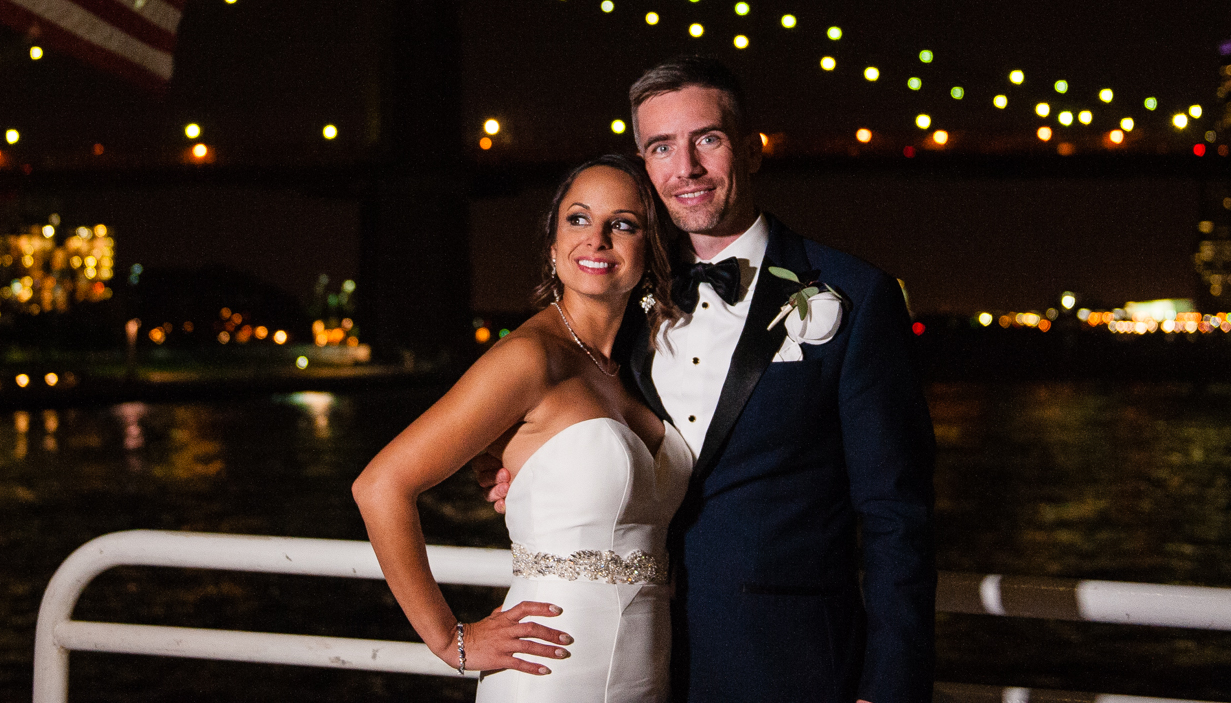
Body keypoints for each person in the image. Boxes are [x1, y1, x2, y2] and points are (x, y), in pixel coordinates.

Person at [479, 57, 936, 703]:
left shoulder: (855, 296)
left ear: (751, 151)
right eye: (661, 147)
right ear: (645, 166)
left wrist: (890, 686)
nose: (685, 168)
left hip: (793, 669)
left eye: (708, 140)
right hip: (635, 658)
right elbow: (566, 412)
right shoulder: (629, 301)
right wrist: (509, 461)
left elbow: (897, 514)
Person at [355, 155, 693, 700]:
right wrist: (450, 640)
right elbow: (380, 486)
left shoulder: (640, 369)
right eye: (578, 220)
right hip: (548, 674)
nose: (597, 239)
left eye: (623, 224)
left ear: (650, 251)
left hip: (649, 672)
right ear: (553, 244)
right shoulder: (529, 358)